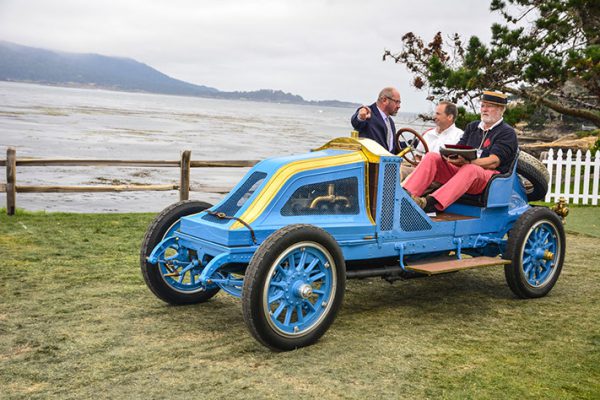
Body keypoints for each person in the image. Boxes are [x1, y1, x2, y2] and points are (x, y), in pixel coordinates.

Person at [403, 91, 518, 213]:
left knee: (471, 169)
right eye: (483, 105)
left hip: (489, 178)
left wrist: (468, 161)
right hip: (464, 170)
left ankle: (430, 203)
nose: (484, 109)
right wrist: (450, 156)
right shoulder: (473, 127)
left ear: (501, 109)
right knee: (432, 157)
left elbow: (493, 162)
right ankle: (405, 196)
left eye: (489, 106)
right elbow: (458, 149)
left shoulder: (507, 132)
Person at [400, 101, 463, 180]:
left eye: (438, 114)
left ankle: (404, 189)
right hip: (419, 170)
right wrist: (416, 163)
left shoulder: (459, 136)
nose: (434, 117)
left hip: (440, 177)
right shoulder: (428, 134)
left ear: (449, 117)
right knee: (396, 170)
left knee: (410, 178)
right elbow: (418, 156)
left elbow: (458, 163)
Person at [351, 87, 401, 153]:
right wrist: (361, 117)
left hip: (386, 162)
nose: (399, 106)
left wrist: (413, 143)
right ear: (384, 100)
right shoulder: (368, 112)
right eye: (396, 102)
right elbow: (356, 123)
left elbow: (392, 147)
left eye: (399, 102)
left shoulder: (390, 122)